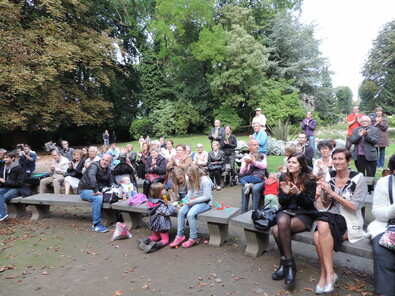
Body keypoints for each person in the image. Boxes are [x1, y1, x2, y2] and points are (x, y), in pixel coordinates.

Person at [313, 148, 366, 294]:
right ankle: (327, 274)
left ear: (348, 161)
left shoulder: (358, 178)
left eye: (340, 159)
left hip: (348, 219)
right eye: (334, 159)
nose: (336, 162)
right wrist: (324, 194)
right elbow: (325, 204)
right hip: (330, 215)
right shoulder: (329, 175)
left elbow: (354, 207)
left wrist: (332, 193)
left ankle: (327, 275)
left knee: (321, 226)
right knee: (318, 234)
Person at [271, 153, 316, 290]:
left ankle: (284, 263)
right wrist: (285, 193)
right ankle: (290, 266)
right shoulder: (284, 177)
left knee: (276, 230)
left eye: (294, 162)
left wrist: (298, 193)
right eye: (289, 162)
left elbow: (309, 204)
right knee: (281, 223)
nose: (290, 164)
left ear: (301, 165)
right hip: (287, 211)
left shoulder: (310, 179)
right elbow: (281, 203)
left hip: (304, 214)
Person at [367, 154, 395, 296]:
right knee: (383, 251)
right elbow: (377, 213)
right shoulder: (384, 183)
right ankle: (386, 292)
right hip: (386, 226)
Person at [170, 165, 214, 248]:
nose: (188, 178)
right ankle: (179, 236)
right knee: (181, 212)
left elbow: (207, 197)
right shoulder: (191, 180)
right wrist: (184, 200)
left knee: (190, 214)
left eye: (189, 176)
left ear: (195, 173)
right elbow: (190, 192)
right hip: (194, 201)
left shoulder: (205, 181)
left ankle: (193, 238)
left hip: (205, 203)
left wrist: (192, 201)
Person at [78, 153, 114, 233]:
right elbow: (91, 177)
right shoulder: (94, 166)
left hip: (99, 189)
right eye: (103, 160)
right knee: (98, 198)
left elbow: (111, 182)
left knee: (114, 195)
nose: (104, 162)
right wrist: (96, 190)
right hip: (85, 190)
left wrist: (116, 188)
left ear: (110, 162)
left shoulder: (109, 170)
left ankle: (115, 218)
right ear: (100, 159)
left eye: (107, 161)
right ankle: (96, 224)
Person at [138, 182, 176, 253]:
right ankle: (156, 245)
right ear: (158, 192)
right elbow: (167, 212)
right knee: (165, 240)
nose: (164, 190)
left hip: (153, 224)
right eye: (163, 189)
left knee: (156, 237)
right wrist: (173, 206)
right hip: (162, 225)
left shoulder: (150, 202)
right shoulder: (159, 204)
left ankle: (145, 241)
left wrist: (167, 204)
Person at [350, 115, 379, 181]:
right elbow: (352, 141)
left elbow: (375, 141)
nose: (364, 122)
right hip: (359, 155)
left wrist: (366, 135)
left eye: (365, 121)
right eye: (362, 121)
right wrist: (359, 136)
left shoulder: (374, 130)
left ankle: (370, 189)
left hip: (370, 155)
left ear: (369, 122)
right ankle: (362, 189)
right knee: (360, 174)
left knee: (371, 174)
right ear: (360, 122)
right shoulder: (355, 130)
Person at [240, 139, 267, 213]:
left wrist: (253, 162)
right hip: (251, 178)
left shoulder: (262, 155)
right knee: (244, 189)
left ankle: (255, 211)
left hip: (261, 179)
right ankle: (244, 212)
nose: (257, 146)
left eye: (257, 144)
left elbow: (264, 166)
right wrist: (246, 164)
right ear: (249, 147)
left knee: (255, 188)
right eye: (254, 145)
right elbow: (242, 172)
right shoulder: (245, 157)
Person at [0, 152, 27, 221]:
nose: (5, 159)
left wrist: (6, 182)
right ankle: (3, 213)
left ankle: (3, 213)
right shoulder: (4, 167)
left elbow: (20, 183)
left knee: (3, 197)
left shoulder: (19, 168)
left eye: (7, 157)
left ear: (13, 158)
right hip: (6, 187)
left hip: (17, 189)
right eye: (4, 158)